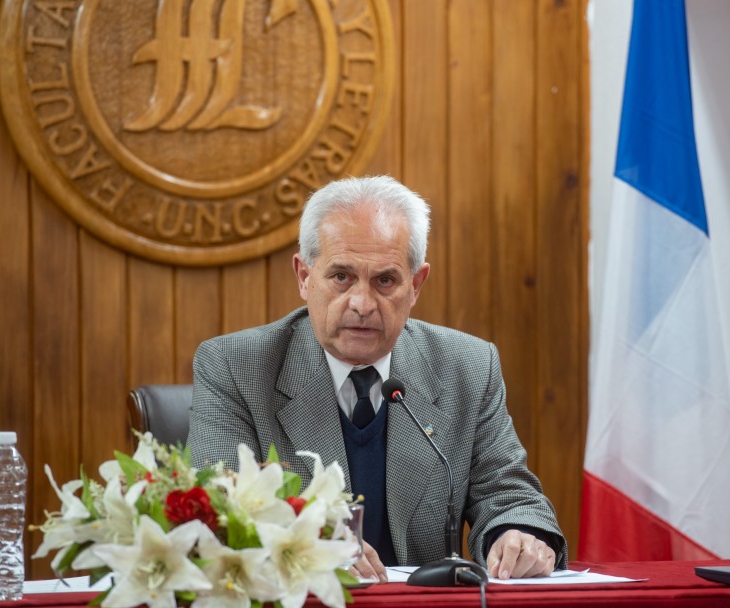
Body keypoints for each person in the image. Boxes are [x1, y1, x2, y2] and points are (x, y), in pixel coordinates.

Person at [189, 175, 566, 581]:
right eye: (341, 277)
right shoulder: (236, 366)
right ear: (304, 276)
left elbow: (508, 495)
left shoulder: (467, 366)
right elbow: (216, 509)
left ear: (416, 285)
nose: (362, 304)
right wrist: (310, 540)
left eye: (385, 281)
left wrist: (518, 534)